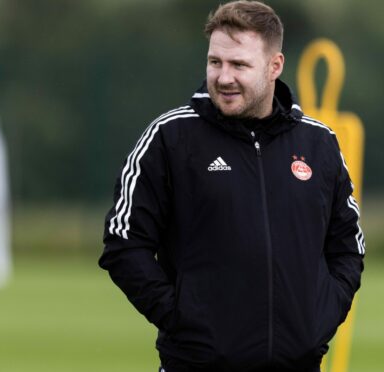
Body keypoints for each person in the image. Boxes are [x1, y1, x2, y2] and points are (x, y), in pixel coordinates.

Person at [99, 1, 365, 371]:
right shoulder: (170, 138)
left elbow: (348, 247)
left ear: (275, 66)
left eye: (239, 65)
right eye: (215, 62)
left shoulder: (318, 144)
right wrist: (183, 319)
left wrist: (319, 317)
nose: (224, 77)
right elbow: (123, 242)